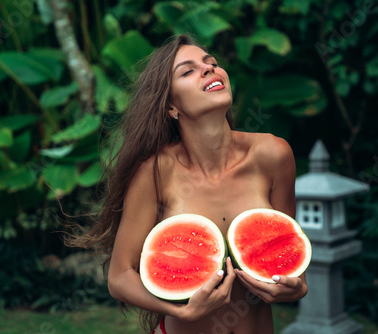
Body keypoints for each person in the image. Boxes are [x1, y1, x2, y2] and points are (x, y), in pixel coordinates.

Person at [70, 34, 307, 334]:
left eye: (212, 63)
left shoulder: (273, 155)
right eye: (188, 70)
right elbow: (120, 277)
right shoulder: (155, 172)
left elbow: (292, 260)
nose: (209, 69)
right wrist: (178, 309)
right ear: (171, 106)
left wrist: (295, 290)